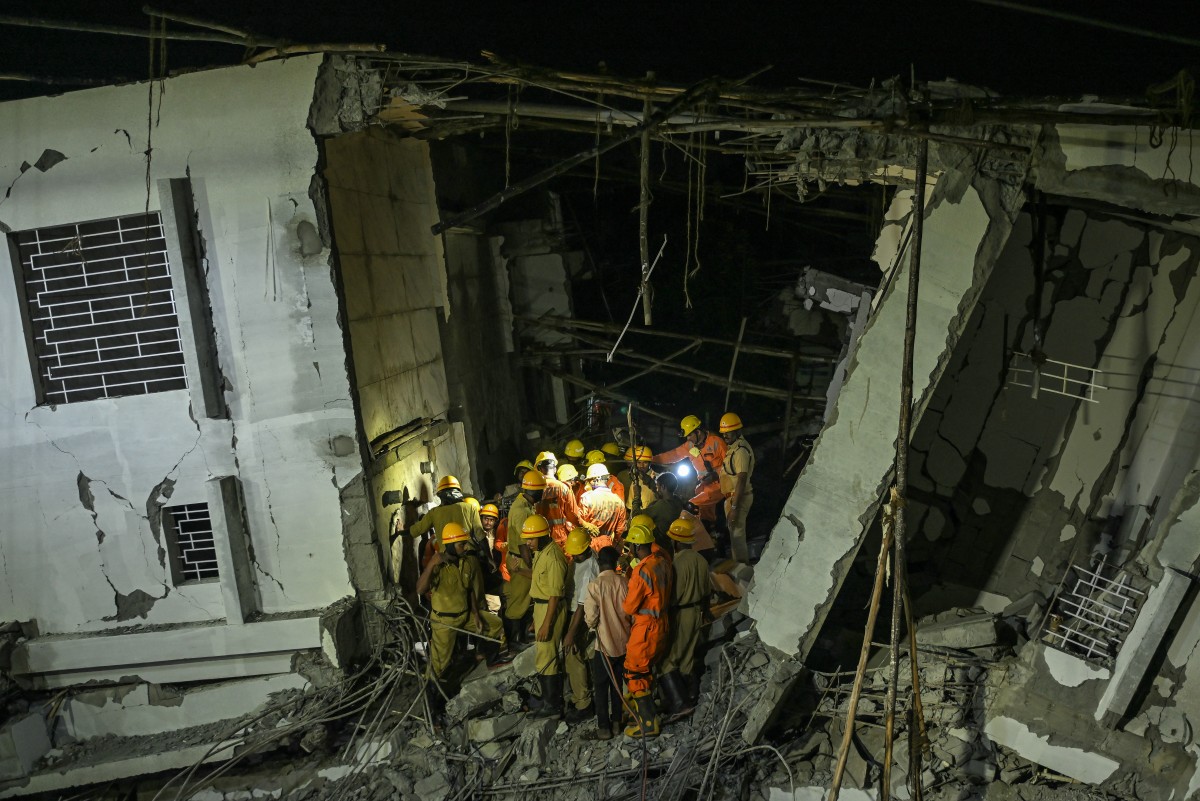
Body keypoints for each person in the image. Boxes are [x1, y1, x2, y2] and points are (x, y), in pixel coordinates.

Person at [416, 523, 506, 706]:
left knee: (495, 624)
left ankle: (491, 660)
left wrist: (476, 613)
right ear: (449, 545)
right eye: (461, 545)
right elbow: (420, 589)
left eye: (464, 544)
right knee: (438, 666)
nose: (465, 547)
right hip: (444, 621)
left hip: (465, 616)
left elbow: (469, 590)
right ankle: (432, 706)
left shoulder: (466, 562)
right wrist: (433, 562)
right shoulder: (438, 566)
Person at [621, 522, 672, 738]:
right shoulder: (661, 562)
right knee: (646, 670)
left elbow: (630, 606)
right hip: (662, 623)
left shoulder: (641, 571)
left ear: (635, 547)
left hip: (645, 628)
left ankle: (649, 724)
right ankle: (646, 710)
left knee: (634, 671)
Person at [659, 518, 711, 716]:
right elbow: (707, 592)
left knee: (667, 661)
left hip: (680, 613)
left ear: (675, 541)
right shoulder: (701, 560)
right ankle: (690, 696)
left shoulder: (677, 563)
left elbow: (673, 597)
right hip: (696, 613)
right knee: (688, 656)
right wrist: (705, 612)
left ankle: (680, 703)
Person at [525, 513, 569, 720]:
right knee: (543, 655)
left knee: (548, 655)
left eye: (531, 538)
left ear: (543, 536)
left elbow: (554, 595)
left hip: (550, 607)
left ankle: (552, 704)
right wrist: (537, 619)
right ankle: (547, 699)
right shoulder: (541, 552)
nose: (528, 542)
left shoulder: (553, 557)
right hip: (542, 607)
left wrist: (546, 624)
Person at [583, 546, 630, 741]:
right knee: (618, 684)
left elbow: (591, 619)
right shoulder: (624, 582)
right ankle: (617, 723)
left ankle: (604, 728)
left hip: (604, 646)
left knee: (601, 687)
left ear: (598, 562)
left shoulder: (595, 586)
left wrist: (593, 624)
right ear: (616, 562)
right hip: (624, 643)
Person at [652, 415, 727, 525]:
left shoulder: (717, 442)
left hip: (720, 485)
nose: (688, 438)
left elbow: (730, 464)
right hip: (704, 487)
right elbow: (673, 455)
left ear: (698, 432)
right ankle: (711, 533)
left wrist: (715, 475)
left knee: (691, 506)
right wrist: (651, 459)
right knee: (705, 518)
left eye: (690, 434)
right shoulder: (690, 446)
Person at [403, 476, 485, 568]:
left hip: (447, 562)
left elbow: (417, 529)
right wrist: (489, 558)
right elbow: (481, 536)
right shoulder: (470, 508)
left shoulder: (434, 513)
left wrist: (400, 532)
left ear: (440, 494)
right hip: (470, 560)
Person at [502, 471, 544, 650]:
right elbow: (522, 543)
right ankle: (514, 642)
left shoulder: (526, 505)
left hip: (521, 557)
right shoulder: (520, 510)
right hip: (520, 559)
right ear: (535, 491)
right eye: (541, 490)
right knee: (517, 603)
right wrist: (531, 563)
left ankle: (522, 638)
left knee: (526, 601)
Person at [561, 528, 597, 724]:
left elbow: (582, 607)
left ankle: (584, 704)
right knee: (572, 657)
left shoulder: (590, 568)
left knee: (574, 656)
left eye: (577, 553)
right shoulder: (580, 559)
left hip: (579, 616)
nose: (574, 556)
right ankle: (577, 696)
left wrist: (571, 633)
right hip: (572, 611)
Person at [534, 451, 598, 550]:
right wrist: (585, 525)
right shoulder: (563, 488)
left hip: (539, 536)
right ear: (554, 469)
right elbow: (573, 515)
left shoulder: (533, 488)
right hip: (558, 536)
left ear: (538, 469)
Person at [719, 413, 756, 564]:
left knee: (737, 536)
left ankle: (743, 573)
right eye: (724, 433)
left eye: (729, 432)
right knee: (735, 537)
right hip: (733, 497)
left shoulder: (740, 451)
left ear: (737, 431)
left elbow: (741, 480)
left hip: (738, 497)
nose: (725, 435)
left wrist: (734, 506)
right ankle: (740, 569)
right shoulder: (734, 448)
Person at [579, 463, 627, 551]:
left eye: (589, 480)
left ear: (595, 480)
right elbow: (620, 530)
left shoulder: (587, 498)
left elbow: (579, 523)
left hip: (588, 546)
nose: (588, 483)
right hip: (608, 547)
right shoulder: (619, 502)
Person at [644, 472, 685, 547]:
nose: (657, 489)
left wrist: (636, 497)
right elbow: (659, 493)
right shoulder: (677, 500)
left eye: (658, 486)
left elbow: (637, 514)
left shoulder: (661, 505)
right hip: (671, 542)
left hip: (661, 544)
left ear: (663, 487)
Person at [619, 445, 657, 515]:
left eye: (645, 462)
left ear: (650, 463)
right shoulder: (634, 479)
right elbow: (630, 507)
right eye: (639, 462)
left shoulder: (657, 478)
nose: (641, 465)